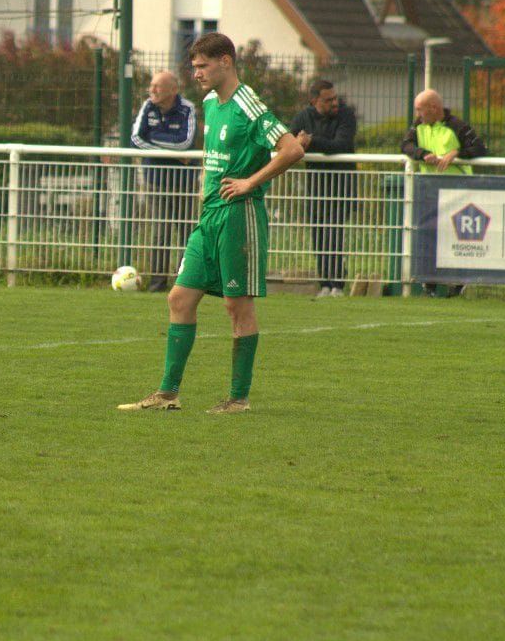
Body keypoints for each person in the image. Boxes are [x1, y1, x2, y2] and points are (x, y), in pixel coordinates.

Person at [118, 32, 304, 414]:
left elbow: (292, 148)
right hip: (209, 217)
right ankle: (168, 393)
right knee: (179, 298)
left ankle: (238, 399)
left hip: (240, 217)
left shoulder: (248, 104)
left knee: (238, 308)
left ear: (226, 61)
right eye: (194, 66)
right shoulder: (209, 103)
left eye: (203, 65)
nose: (197, 72)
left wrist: (251, 181)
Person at [400, 89, 488, 297]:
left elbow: (480, 148)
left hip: (458, 190)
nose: (418, 114)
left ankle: (457, 282)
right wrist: (423, 154)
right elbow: (405, 145)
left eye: (420, 109)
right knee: (429, 236)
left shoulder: (458, 126)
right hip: (430, 189)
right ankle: (429, 285)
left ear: (433, 108)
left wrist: (457, 153)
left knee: (456, 237)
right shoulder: (418, 126)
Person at [130, 70, 197, 291]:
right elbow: (136, 139)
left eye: (157, 86)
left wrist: (155, 139)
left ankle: (184, 283)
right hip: (155, 181)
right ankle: (157, 284)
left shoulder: (187, 108)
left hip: (184, 183)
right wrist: (169, 149)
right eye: (151, 85)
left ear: (173, 89)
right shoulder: (147, 106)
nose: (152, 90)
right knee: (161, 232)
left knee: (187, 233)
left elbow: (185, 144)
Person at [291, 80, 357, 297]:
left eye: (334, 98)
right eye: (328, 100)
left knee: (334, 233)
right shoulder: (303, 117)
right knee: (318, 233)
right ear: (314, 101)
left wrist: (310, 140)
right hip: (316, 186)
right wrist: (298, 142)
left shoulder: (346, 115)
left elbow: (341, 145)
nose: (334, 103)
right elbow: (289, 141)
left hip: (341, 185)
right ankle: (324, 284)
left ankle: (337, 284)